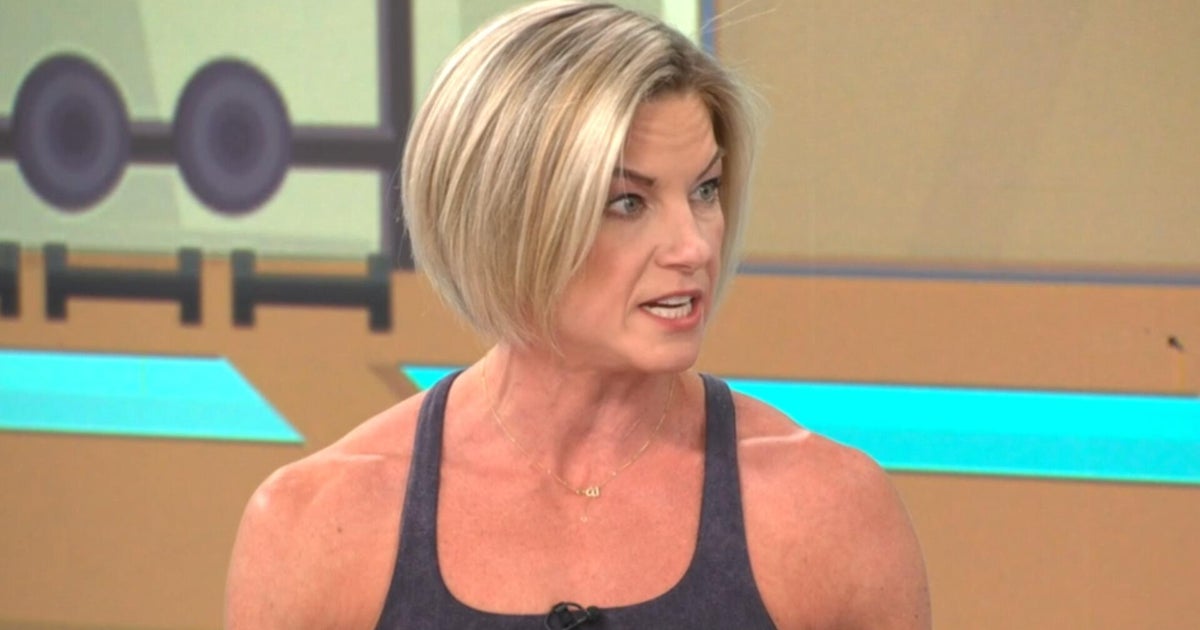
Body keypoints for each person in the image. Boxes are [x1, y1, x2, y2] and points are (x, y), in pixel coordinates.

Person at [224, 1, 930, 628]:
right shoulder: (318, 525)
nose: (692, 246)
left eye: (705, 190)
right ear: (506, 220)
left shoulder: (828, 512)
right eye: (628, 202)